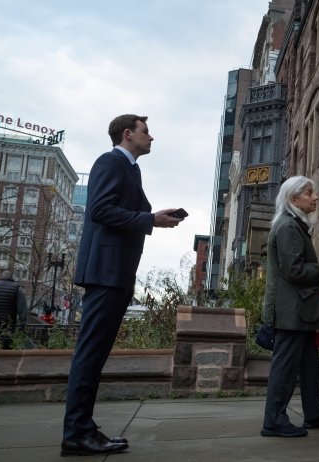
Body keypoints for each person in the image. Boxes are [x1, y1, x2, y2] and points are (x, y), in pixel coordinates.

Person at [61, 115, 184, 456]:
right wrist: (149, 219)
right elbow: (100, 210)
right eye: (146, 132)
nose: (151, 137)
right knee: (89, 355)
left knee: (95, 355)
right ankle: (76, 433)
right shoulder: (110, 161)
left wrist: (155, 216)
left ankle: (83, 429)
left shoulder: (131, 168)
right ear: (127, 134)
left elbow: (119, 211)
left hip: (117, 272)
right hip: (105, 272)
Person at [261, 176, 319, 438]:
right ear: (293, 199)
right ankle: (273, 421)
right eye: (309, 193)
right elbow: (294, 269)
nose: (315, 197)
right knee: (284, 365)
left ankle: (314, 413)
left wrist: (318, 272)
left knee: (309, 364)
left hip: (299, 309)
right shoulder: (287, 227)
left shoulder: (293, 225)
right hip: (290, 310)